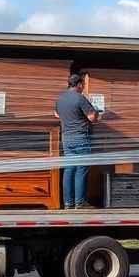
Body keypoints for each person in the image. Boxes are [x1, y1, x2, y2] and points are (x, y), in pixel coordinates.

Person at [55, 74, 100, 209]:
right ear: (79, 84)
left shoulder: (60, 98)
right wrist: (98, 113)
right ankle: (80, 203)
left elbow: (56, 114)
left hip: (66, 138)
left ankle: (68, 203)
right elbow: (92, 118)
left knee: (69, 169)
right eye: (83, 85)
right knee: (81, 169)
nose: (83, 88)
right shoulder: (80, 98)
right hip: (80, 137)